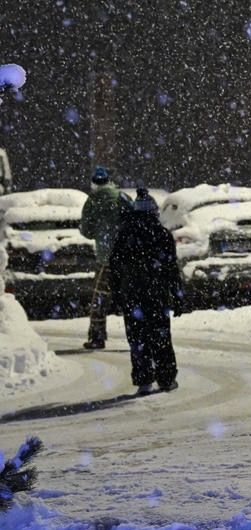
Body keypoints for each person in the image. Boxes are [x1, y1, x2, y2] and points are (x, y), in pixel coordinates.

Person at [107, 189, 182, 395]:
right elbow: (171, 269)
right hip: (157, 295)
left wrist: (116, 296)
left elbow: (114, 268)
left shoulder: (124, 235)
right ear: (154, 212)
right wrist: (177, 295)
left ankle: (144, 378)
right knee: (161, 337)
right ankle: (166, 378)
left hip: (132, 296)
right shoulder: (162, 235)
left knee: (137, 338)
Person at [80, 166, 131, 349]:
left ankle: (97, 337)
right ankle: (141, 336)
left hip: (107, 259)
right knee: (132, 297)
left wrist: (100, 232)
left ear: (93, 183)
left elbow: (86, 231)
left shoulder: (92, 201)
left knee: (99, 299)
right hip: (127, 257)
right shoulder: (123, 197)